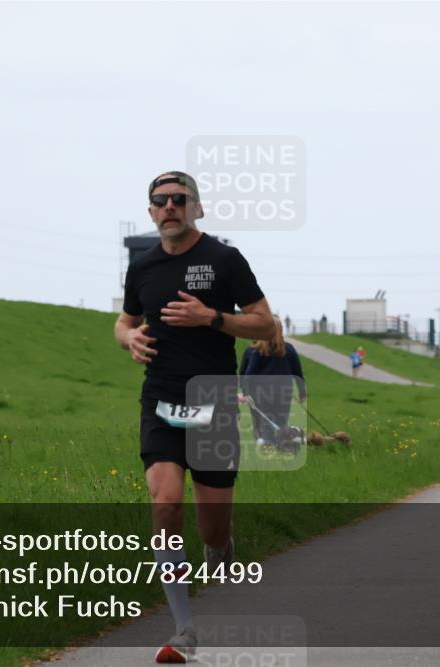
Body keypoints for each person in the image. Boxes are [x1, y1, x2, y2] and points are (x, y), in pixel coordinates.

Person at [115, 170, 274, 663]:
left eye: (179, 199)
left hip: (215, 400)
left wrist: (213, 318)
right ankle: (184, 629)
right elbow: (125, 320)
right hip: (160, 398)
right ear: (150, 212)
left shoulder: (224, 259)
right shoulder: (142, 268)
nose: (169, 206)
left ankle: (220, 549)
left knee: (212, 527)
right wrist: (130, 339)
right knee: (165, 503)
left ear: (196, 207)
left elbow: (266, 322)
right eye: (159, 200)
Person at [239, 316, 307, 446]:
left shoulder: (257, 351)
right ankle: (281, 446)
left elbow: (248, 374)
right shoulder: (289, 349)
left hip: (261, 393)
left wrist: (245, 391)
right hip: (283, 392)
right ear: (280, 330)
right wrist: (302, 391)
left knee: (264, 421)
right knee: (281, 421)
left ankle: (268, 445)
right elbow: (298, 373)